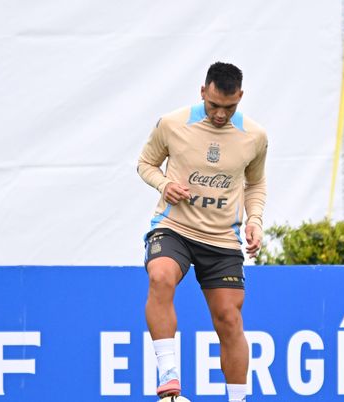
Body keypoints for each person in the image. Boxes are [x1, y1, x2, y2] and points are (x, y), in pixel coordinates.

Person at [137, 61, 267, 402]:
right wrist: (164, 185)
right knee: (160, 276)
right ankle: (169, 387)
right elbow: (145, 163)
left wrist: (254, 220)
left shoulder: (255, 136)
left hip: (222, 238)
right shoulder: (172, 124)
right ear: (202, 92)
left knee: (228, 318)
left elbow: (255, 184)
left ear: (240, 96)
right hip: (174, 227)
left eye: (229, 107)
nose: (221, 114)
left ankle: (237, 399)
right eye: (213, 106)